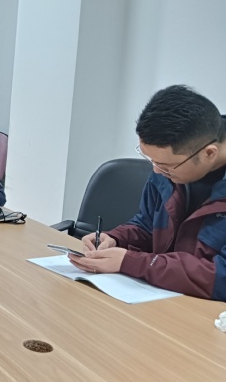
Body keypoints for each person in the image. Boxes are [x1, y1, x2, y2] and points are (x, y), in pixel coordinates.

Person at [71, 85, 226, 300]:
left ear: (209, 154)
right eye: (152, 160)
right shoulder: (170, 170)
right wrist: (115, 239)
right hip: (160, 297)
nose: (156, 171)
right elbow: (147, 225)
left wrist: (131, 262)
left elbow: (221, 277)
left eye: (165, 165)